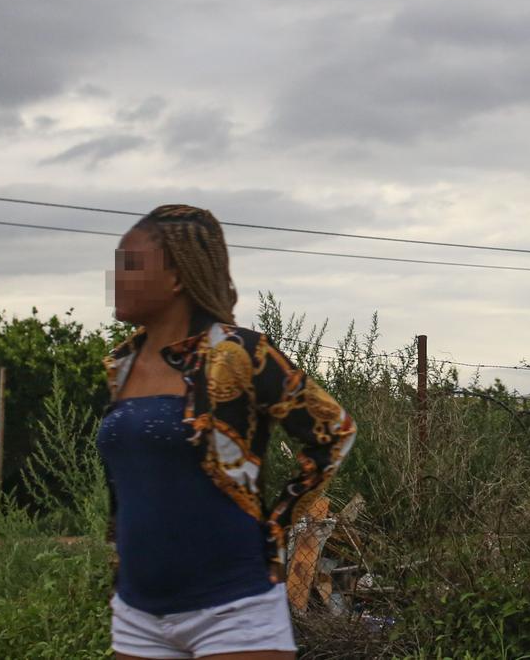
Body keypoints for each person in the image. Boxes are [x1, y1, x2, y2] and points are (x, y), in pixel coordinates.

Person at [96, 204, 357, 659]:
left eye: (130, 264)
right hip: (138, 615)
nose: (114, 278)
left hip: (232, 610)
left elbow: (334, 431)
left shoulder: (238, 353)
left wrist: (278, 527)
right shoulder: (121, 363)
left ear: (176, 277)